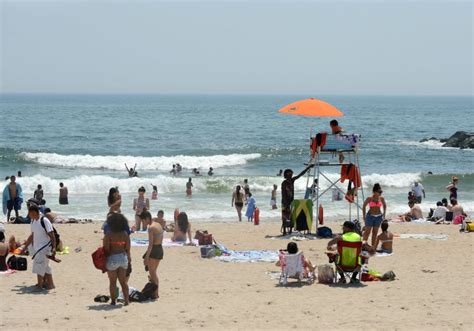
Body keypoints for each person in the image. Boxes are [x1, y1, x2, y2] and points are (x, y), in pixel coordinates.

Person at [22, 205, 56, 290]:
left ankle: (40, 286)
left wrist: (54, 248)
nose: (28, 215)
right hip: (38, 248)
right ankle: (51, 284)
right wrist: (25, 247)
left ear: (34, 212)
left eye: (29, 213)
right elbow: (32, 235)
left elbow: (52, 235)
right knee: (46, 267)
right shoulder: (33, 221)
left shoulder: (44, 220)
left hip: (44, 247)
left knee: (39, 266)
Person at [103, 213, 130, 306]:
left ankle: (113, 301)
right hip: (123, 257)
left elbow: (106, 248)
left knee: (113, 282)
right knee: (123, 282)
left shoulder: (109, 234)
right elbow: (127, 248)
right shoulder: (125, 234)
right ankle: (126, 301)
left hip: (112, 257)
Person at [281, 165, 314, 235]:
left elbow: (300, 175)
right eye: (289, 174)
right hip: (285, 202)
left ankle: (290, 230)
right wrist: (286, 204)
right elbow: (283, 194)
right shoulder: (284, 183)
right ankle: (284, 230)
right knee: (285, 216)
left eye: (291, 173)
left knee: (291, 215)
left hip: (291, 201)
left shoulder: (292, 180)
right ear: (286, 175)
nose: (291, 175)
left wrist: (308, 168)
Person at [141, 211, 163, 299]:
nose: (143, 223)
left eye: (143, 221)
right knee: (153, 273)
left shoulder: (151, 228)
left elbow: (150, 245)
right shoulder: (158, 224)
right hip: (160, 249)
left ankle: (156, 294)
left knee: (152, 273)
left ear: (147, 219)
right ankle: (154, 293)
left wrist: (146, 257)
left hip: (154, 250)